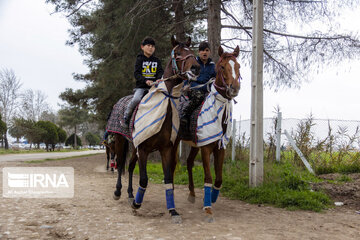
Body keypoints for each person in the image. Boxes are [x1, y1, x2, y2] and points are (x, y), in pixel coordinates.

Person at [124, 37, 164, 124]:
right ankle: (127, 115)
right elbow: (137, 74)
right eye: (148, 45)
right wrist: (145, 80)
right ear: (142, 47)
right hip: (141, 87)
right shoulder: (139, 59)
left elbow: (160, 71)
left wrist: (158, 79)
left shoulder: (157, 60)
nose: (151, 48)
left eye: (153, 46)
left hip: (154, 87)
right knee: (136, 99)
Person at [181, 41, 216, 125]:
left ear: (209, 52)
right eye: (202, 50)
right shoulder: (193, 63)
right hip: (193, 88)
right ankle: (185, 114)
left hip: (208, 90)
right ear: (199, 52)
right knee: (198, 96)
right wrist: (185, 86)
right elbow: (186, 77)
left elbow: (215, 79)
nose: (205, 52)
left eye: (207, 50)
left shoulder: (212, 66)